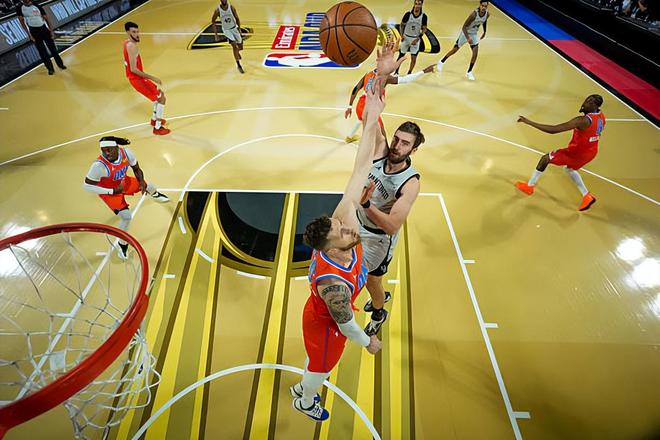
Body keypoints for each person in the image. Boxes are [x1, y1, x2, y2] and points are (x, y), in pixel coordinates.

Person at [290, 42, 406, 422]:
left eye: (341, 223)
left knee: (316, 365)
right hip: (327, 324)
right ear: (330, 248)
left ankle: (303, 389)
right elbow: (347, 323)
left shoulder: (342, 224)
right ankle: (305, 400)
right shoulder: (334, 286)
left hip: (326, 315)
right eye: (342, 231)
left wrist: (377, 93)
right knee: (322, 366)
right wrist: (368, 341)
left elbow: (361, 165)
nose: (348, 225)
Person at [358, 121, 423, 336]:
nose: (396, 146)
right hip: (357, 222)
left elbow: (392, 226)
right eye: (396, 139)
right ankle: (380, 297)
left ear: (413, 150)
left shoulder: (410, 183)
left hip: (377, 239)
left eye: (405, 143)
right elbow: (372, 120)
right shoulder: (381, 153)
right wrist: (369, 100)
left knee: (371, 281)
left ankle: (378, 313)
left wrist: (366, 204)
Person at [83, 136, 169, 259]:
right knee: (126, 217)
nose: (107, 153)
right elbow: (87, 186)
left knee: (149, 186)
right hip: (110, 191)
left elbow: (136, 169)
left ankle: (155, 194)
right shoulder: (98, 166)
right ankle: (122, 244)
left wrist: (141, 182)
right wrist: (112, 191)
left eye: (109, 149)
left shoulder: (127, 153)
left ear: (117, 148)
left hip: (124, 182)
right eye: (104, 150)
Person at [515, 94, 605, 211]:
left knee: (545, 159)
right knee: (569, 169)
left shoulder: (582, 121)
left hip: (576, 153)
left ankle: (529, 187)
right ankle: (586, 196)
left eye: (589, 102)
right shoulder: (601, 116)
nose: (584, 103)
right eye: (586, 100)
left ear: (594, 106)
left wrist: (529, 122)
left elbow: (554, 130)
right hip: (591, 152)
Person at [344, 63, 434, 143]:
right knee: (381, 130)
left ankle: (349, 137)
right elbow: (405, 79)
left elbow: (356, 88)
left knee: (361, 118)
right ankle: (385, 151)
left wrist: (349, 106)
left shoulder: (368, 74)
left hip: (360, 104)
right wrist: (423, 71)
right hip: (371, 107)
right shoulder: (385, 78)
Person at [123, 22, 170, 135]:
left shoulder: (126, 43)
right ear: (128, 32)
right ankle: (157, 127)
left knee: (159, 96)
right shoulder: (132, 46)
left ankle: (154, 120)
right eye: (134, 32)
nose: (137, 34)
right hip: (137, 79)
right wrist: (153, 77)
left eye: (137, 31)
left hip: (137, 79)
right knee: (161, 99)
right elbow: (133, 69)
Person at [436, 0, 489, 81]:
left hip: (474, 34)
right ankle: (441, 61)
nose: (484, 8)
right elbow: (464, 27)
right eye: (482, 6)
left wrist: (484, 32)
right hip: (465, 33)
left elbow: (484, 21)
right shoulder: (474, 14)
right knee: (455, 50)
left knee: (475, 53)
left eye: (485, 6)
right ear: (480, 5)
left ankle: (469, 72)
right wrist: (468, 38)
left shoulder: (487, 14)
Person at [16, 0, 66, 75]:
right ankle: (50, 69)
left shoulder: (35, 4)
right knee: (42, 52)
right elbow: (22, 22)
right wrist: (29, 35)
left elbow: (46, 17)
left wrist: (51, 31)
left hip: (43, 28)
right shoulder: (19, 7)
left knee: (53, 49)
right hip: (33, 31)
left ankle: (60, 64)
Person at [395, 0, 428, 75]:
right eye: (416, 4)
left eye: (419, 4)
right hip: (406, 37)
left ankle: (409, 73)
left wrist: (418, 38)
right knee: (401, 56)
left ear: (421, 5)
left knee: (413, 58)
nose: (417, 5)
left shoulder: (424, 16)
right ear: (414, 4)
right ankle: (396, 72)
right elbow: (402, 25)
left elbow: (424, 29)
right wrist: (401, 35)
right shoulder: (408, 14)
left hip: (415, 39)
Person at [212, 0, 244, 73]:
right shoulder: (217, 10)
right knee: (234, 46)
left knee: (240, 47)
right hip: (227, 30)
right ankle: (239, 65)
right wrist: (216, 34)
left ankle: (237, 52)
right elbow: (213, 21)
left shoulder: (232, 8)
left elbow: (237, 18)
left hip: (234, 28)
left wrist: (239, 29)